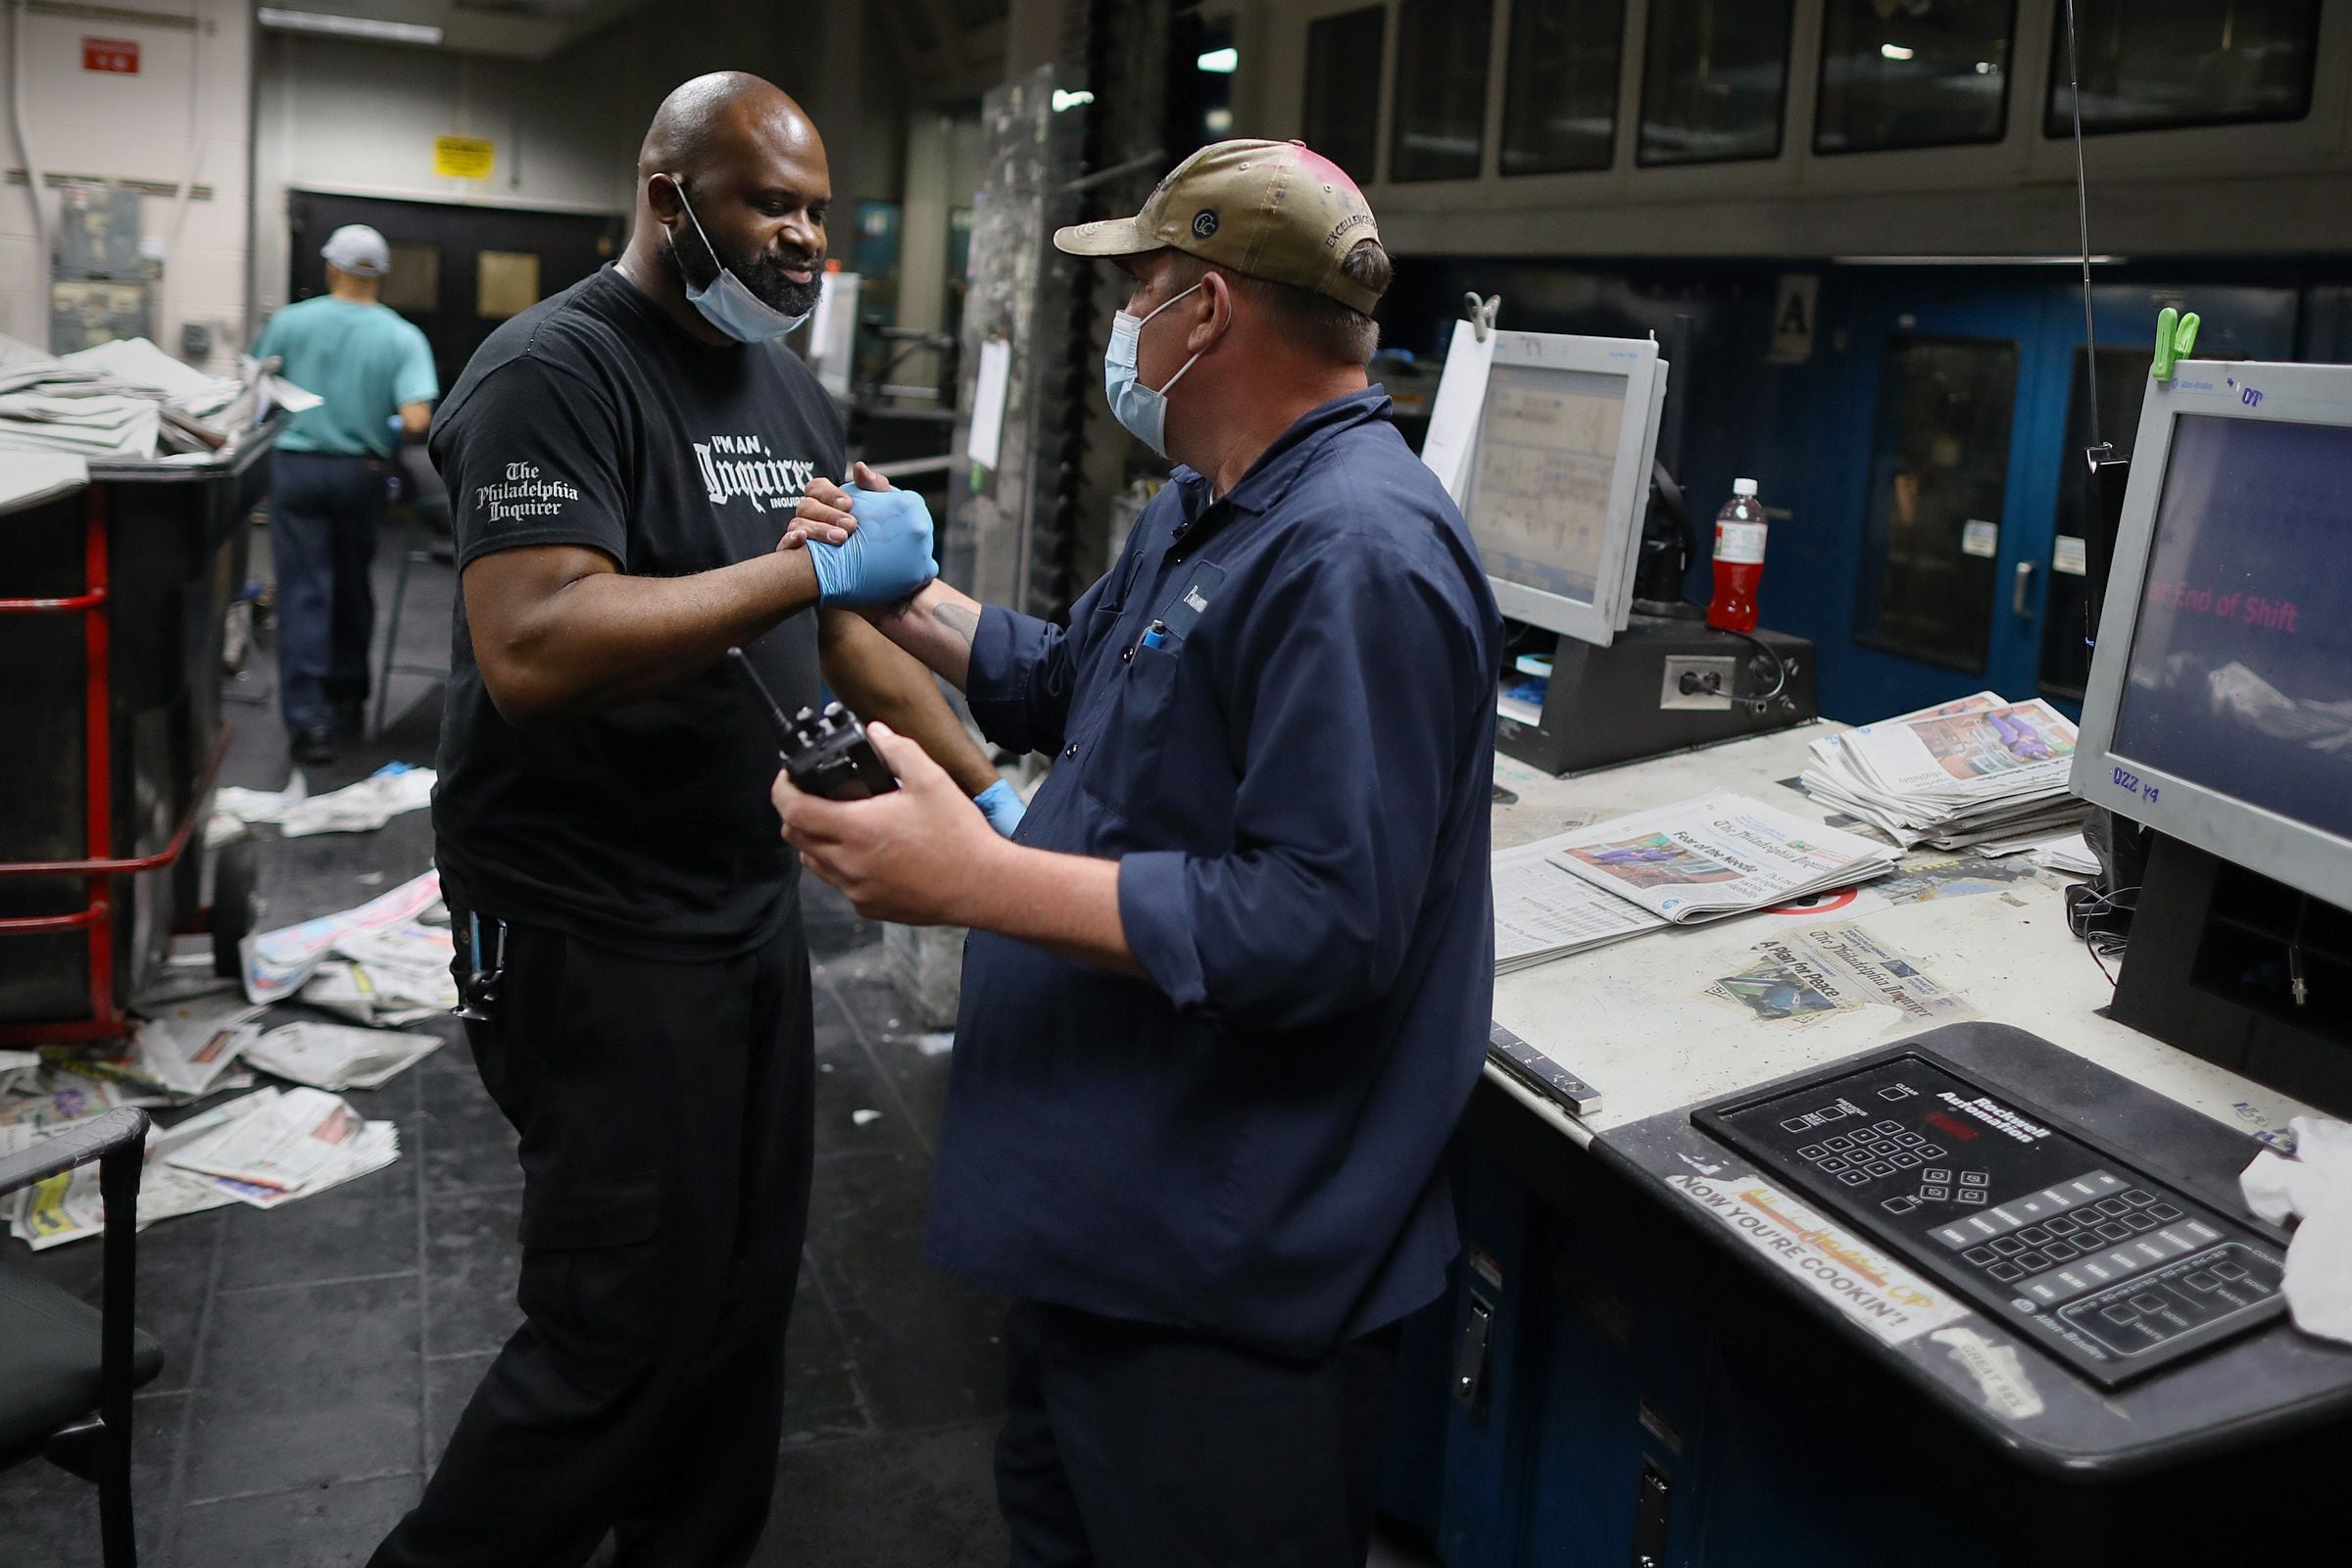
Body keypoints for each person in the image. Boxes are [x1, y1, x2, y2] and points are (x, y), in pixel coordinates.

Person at [777, 139, 1501, 1566]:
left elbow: (1322, 925)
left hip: (1225, 1282)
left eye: (1139, 294)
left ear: (1207, 311)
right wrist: (907, 596)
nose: (1124, 328)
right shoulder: (1208, 501)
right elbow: (1073, 677)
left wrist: (974, 878)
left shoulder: (1356, 555)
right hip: (1108, 1227)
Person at [368, 73, 1017, 1568]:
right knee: (617, 1328)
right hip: (585, 917)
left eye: (819, 212)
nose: (806, 238)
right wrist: (807, 569)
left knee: (737, 1303)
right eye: (770, 204)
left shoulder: (782, 386)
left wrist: (999, 804)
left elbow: (843, 640)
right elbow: (534, 643)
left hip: (738, 898)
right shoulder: (554, 371)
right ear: (671, 199)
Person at [253, 223, 439, 764]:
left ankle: (309, 726)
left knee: (303, 592)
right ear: (381, 275)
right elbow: (417, 418)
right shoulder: (401, 336)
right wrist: (378, 419)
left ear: (331, 267)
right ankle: (348, 703)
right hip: (361, 474)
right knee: (353, 587)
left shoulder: (289, 323)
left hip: (297, 470)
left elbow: (256, 392)